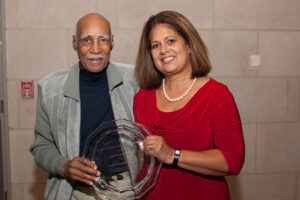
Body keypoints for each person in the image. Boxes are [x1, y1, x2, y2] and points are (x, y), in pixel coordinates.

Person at [133, 11, 245, 200]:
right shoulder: (142, 98)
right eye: (155, 45)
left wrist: (172, 155)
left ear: (189, 45)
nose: (163, 50)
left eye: (170, 41)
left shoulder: (217, 95)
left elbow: (233, 161)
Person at [30, 13, 139, 200]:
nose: (95, 49)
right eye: (86, 40)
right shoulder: (50, 89)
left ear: (112, 42)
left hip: (127, 190)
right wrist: (63, 166)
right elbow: (41, 146)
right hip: (77, 192)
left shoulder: (135, 81)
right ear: (74, 43)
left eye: (102, 40)